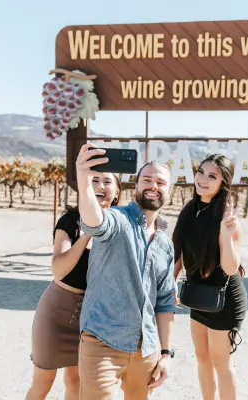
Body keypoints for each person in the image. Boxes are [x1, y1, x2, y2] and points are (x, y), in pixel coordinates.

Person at [74, 143, 177, 400]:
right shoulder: (117, 219)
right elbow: (94, 221)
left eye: (160, 182)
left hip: (146, 349)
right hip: (102, 343)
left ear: (170, 190)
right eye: (147, 180)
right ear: (136, 185)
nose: (153, 186)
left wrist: (166, 354)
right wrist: (84, 180)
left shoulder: (165, 243)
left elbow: (165, 303)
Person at [25, 172, 122, 400]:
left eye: (108, 182)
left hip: (92, 319)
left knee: (76, 383)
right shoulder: (70, 220)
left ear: (117, 192)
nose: (100, 185)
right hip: (56, 314)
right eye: (94, 180)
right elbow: (59, 270)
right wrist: (87, 233)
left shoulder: (120, 227)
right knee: (42, 384)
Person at [172, 153, 247, 400]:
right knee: (202, 359)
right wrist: (172, 280)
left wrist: (226, 236)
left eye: (212, 176)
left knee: (222, 365)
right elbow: (180, 252)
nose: (203, 179)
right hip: (200, 296)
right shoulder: (191, 209)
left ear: (223, 183)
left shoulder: (226, 217)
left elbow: (229, 268)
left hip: (224, 300)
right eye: (201, 172)